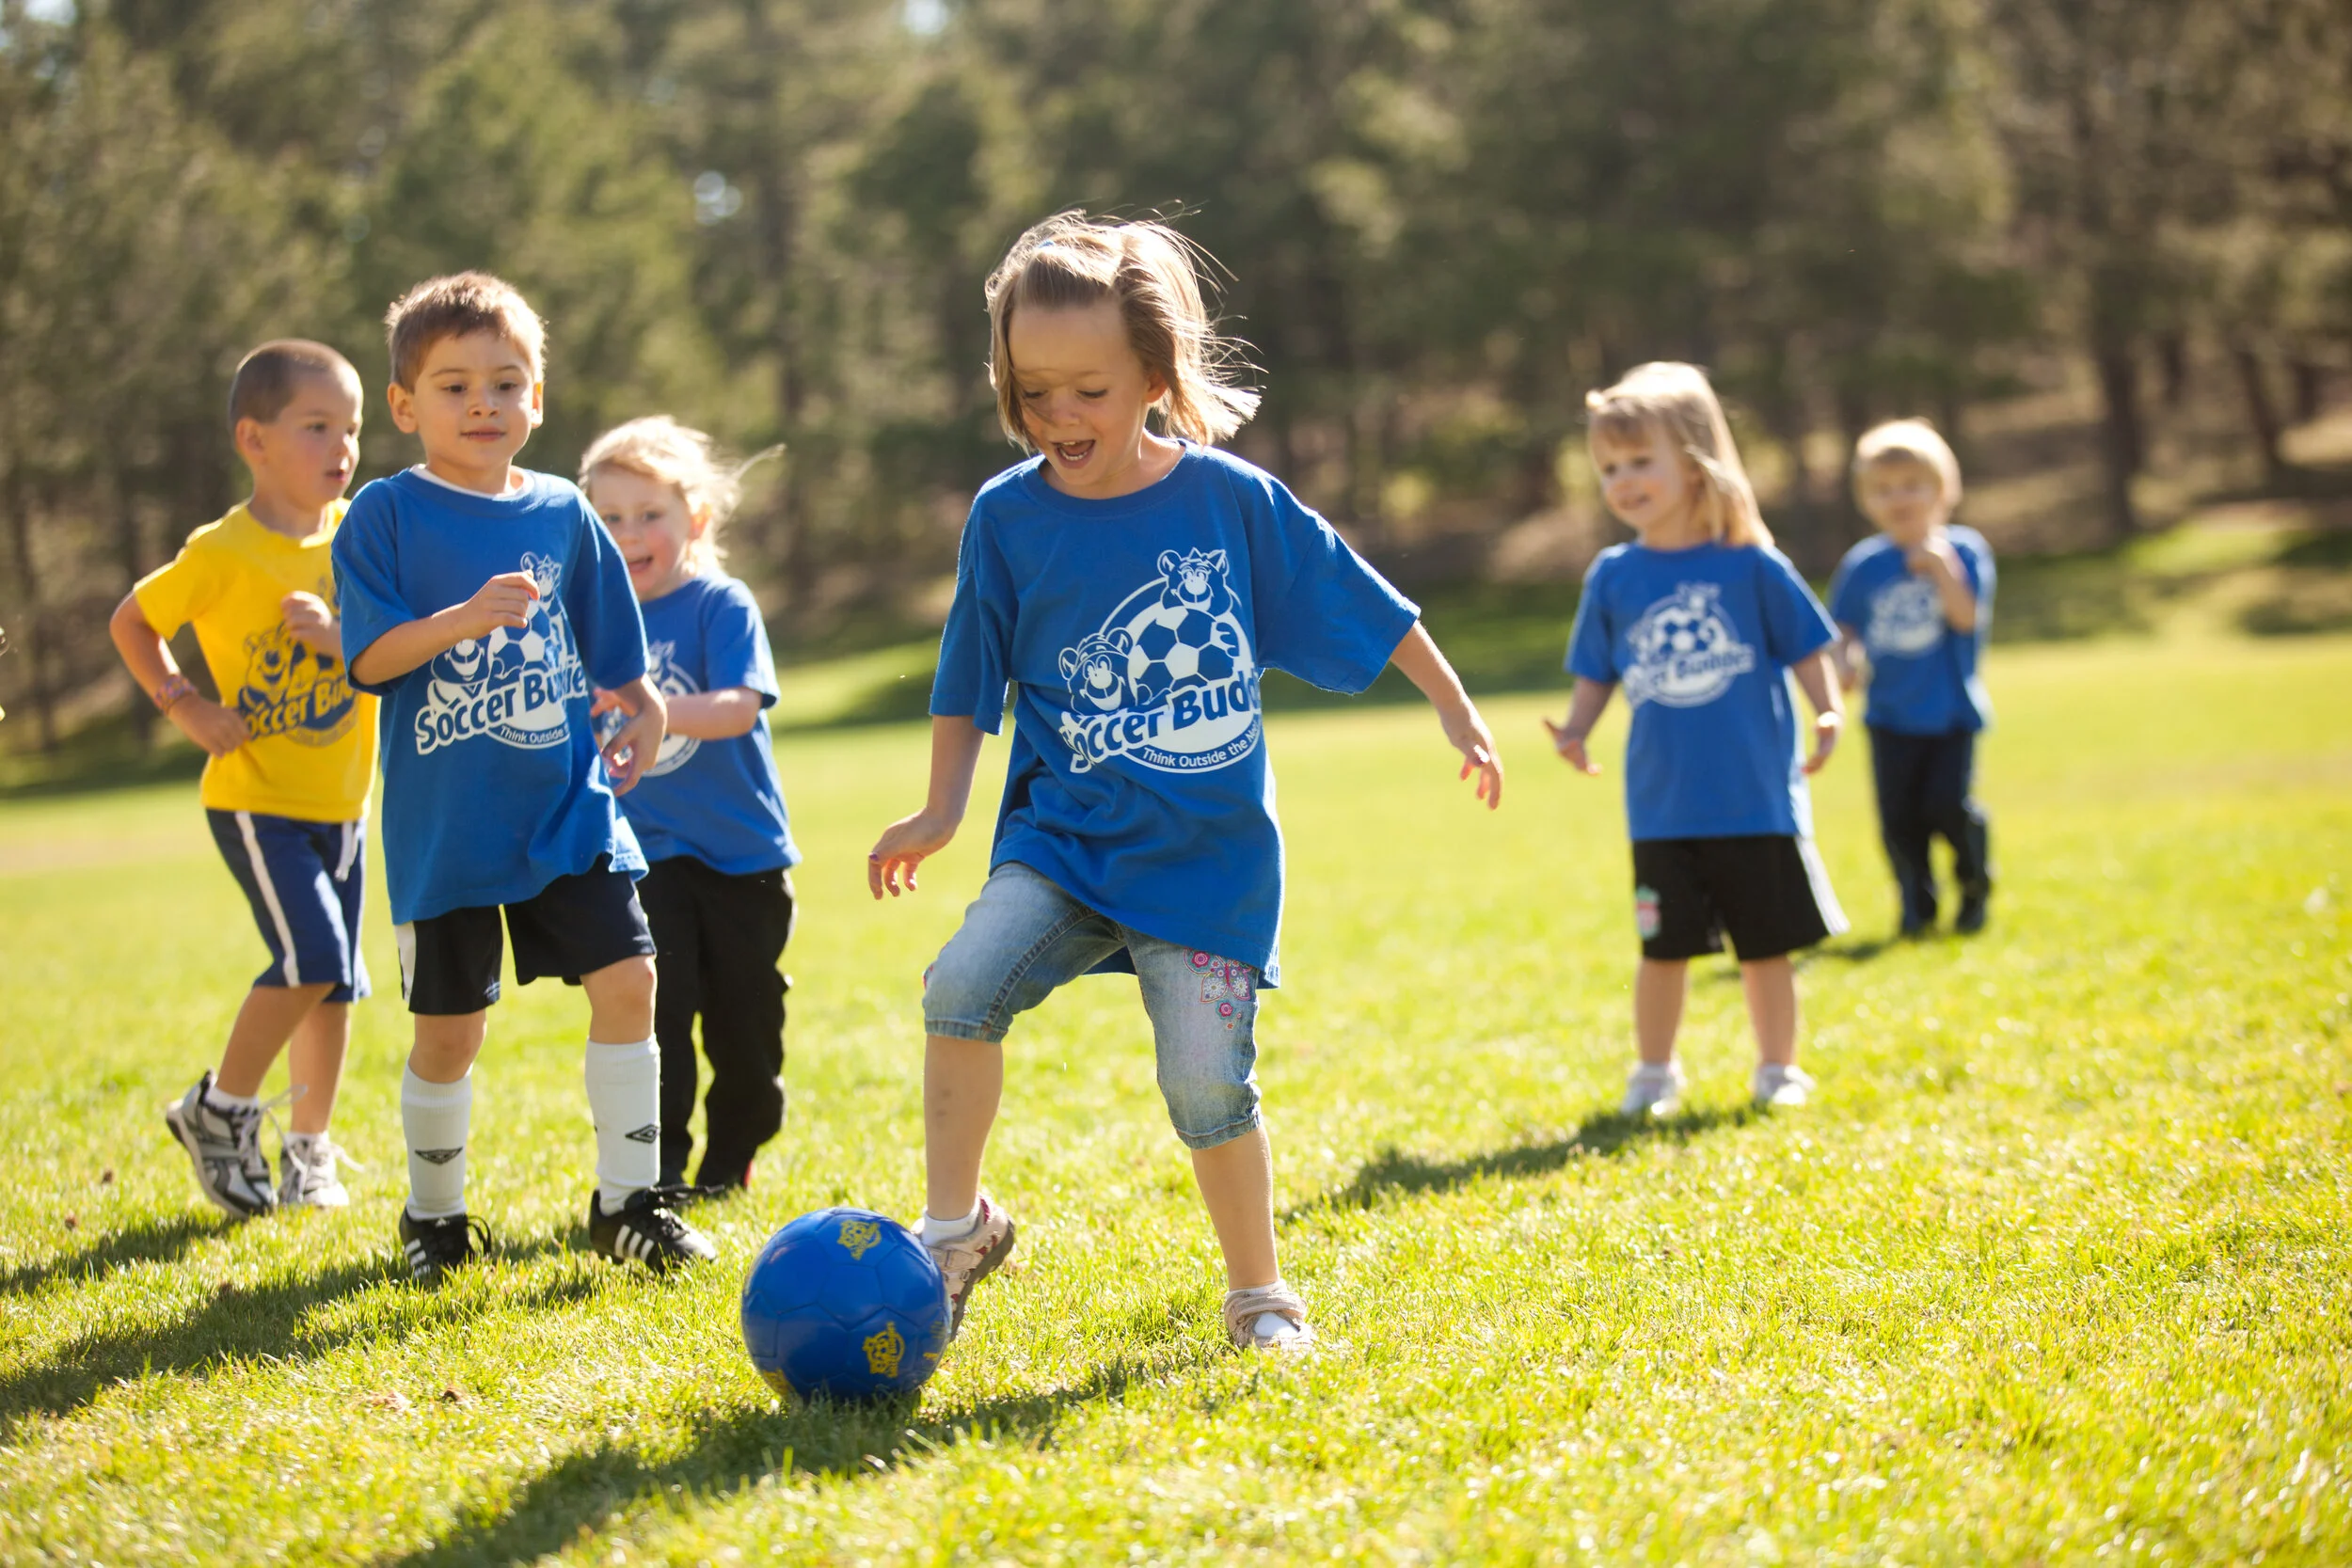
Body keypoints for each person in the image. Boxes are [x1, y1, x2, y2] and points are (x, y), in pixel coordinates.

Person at [867, 213, 1504, 1353]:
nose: (1059, 418)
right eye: (1032, 393)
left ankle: (1260, 1292)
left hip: (1206, 865)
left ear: (1157, 375)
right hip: (1064, 840)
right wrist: (941, 806)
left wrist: (1455, 706)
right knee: (959, 982)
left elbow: (1368, 600)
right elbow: (968, 673)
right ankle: (955, 1226)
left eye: (1089, 392)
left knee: (1207, 1090)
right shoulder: (1005, 517)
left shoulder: (1228, 501)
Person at [331, 272, 714, 1284]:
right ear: (407, 407)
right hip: (447, 826)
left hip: (563, 808)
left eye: (506, 383)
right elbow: (368, 660)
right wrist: (461, 617)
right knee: (451, 1031)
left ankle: (630, 1202)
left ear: (537, 397)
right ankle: (434, 1215)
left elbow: (609, 640)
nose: (484, 405)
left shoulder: (561, 511)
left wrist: (646, 701)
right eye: (454, 387)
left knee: (631, 978)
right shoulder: (384, 515)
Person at [110, 340, 376, 1216]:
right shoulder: (222, 551)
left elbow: (389, 638)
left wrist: (339, 625)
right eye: (317, 427)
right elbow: (133, 621)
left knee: (332, 985)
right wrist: (184, 704)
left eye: (352, 428)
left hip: (345, 800)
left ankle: (308, 1150)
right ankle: (219, 1110)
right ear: (253, 440)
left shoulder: (358, 539)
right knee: (313, 956)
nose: (341, 446)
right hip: (258, 799)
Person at [1545, 362, 1847, 1116]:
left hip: (1754, 800)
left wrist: (1829, 710)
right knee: (1664, 948)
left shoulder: (1750, 566)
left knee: (1765, 947)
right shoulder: (1613, 576)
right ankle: (1654, 1073)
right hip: (1662, 806)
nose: (1624, 480)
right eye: (1609, 467)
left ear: (1695, 459)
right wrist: (1578, 728)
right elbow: (1597, 669)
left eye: (1641, 461)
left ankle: (1779, 1068)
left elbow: (1811, 647)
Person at [581, 417, 796, 1196]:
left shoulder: (719, 603)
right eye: (609, 518)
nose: (629, 532)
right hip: (644, 857)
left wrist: (655, 709)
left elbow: (740, 706)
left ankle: (730, 1154)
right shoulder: (593, 624)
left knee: (746, 1027)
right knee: (657, 1019)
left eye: (650, 515)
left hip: (741, 856)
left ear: (694, 520)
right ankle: (659, 1168)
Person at [1827, 420, 1995, 936]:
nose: (1898, 498)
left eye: (1912, 486)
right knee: (1899, 820)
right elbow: (1843, 629)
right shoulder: (1864, 564)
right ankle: (1915, 905)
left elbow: (1967, 618)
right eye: (1883, 490)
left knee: (1946, 805)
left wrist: (1941, 569)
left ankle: (1973, 884)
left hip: (1950, 714)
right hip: (1890, 717)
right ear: (1865, 500)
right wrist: (1845, 663)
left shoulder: (1963, 551)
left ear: (1944, 491)